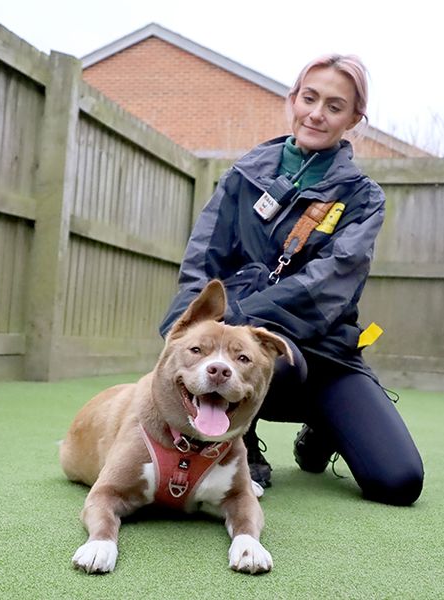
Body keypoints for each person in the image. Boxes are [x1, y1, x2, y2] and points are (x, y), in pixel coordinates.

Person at [159, 54, 423, 506]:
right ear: (293, 100)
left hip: (323, 355)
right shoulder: (241, 179)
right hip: (241, 355)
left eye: (335, 106)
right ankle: (242, 443)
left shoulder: (363, 199)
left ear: (353, 119)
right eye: (310, 98)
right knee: (237, 358)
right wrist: (185, 331)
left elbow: (330, 284)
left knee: (398, 481)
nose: (317, 113)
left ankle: (324, 427)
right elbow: (201, 264)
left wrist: (239, 321)